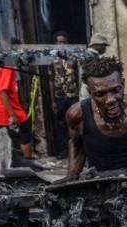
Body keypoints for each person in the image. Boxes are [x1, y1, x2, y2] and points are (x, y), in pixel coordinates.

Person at [0, 64, 33, 159]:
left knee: (8, 138)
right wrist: (12, 115)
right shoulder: (8, 67)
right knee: (25, 136)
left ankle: (14, 163)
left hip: (0, 110)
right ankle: (27, 162)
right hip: (10, 110)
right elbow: (2, 91)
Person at [51, 31, 79, 159]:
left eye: (64, 41)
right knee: (61, 124)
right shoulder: (52, 59)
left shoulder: (74, 57)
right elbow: (50, 80)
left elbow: (79, 76)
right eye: (59, 42)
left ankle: (77, 149)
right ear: (55, 43)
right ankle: (63, 151)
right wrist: (52, 100)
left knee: (75, 123)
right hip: (60, 96)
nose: (61, 44)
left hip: (73, 95)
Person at [79, 33, 111, 100]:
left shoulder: (96, 56)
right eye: (104, 45)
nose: (104, 48)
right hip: (89, 89)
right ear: (97, 44)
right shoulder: (88, 55)